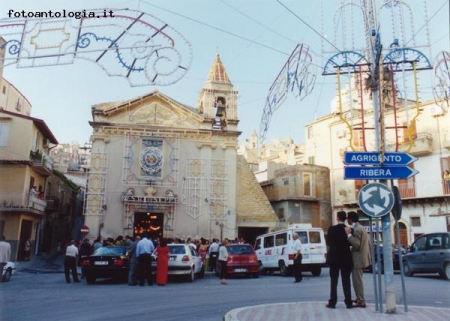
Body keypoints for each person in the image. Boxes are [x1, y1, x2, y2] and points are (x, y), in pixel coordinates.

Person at [325, 211, 353, 309]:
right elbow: (351, 243)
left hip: (334, 258)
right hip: (346, 258)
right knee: (346, 281)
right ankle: (348, 303)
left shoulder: (331, 229)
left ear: (337, 218)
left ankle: (332, 302)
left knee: (333, 281)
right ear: (345, 219)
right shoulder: (349, 229)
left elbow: (328, 243)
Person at [345, 211, 371, 308]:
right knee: (358, 280)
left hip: (358, 260)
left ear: (350, 219)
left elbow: (356, 244)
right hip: (362, 258)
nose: (347, 220)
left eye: (348, 218)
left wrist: (348, 235)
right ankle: (359, 298)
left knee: (357, 281)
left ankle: (361, 300)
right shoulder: (359, 227)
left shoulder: (356, 229)